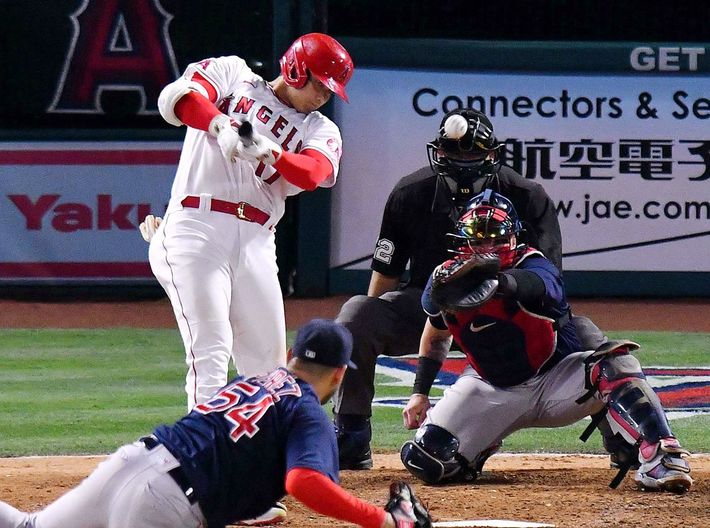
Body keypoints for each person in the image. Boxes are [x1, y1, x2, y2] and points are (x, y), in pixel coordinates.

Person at [0, 320, 433, 528]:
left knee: (27, 527)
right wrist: (382, 521)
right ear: (339, 375)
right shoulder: (306, 411)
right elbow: (304, 482)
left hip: (133, 460)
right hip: (166, 506)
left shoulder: (250, 382)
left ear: (290, 356)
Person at [399, 191, 692, 494]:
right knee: (427, 459)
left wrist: (499, 283)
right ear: (463, 242)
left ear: (515, 238)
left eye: (497, 240)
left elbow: (539, 286)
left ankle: (661, 455)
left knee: (616, 363)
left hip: (556, 380)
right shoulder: (448, 281)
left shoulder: (535, 264)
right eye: (478, 241)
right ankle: (479, 445)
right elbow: (436, 334)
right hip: (490, 387)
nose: (487, 249)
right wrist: (420, 392)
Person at [333, 108, 572, 470]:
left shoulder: (527, 195)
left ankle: (627, 438)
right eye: (454, 154)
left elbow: (548, 282)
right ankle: (351, 432)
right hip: (435, 309)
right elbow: (386, 274)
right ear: (439, 153)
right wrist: (367, 331)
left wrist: (502, 288)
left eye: (473, 155)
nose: (464, 162)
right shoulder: (411, 192)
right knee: (358, 314)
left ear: (492, 155)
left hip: (510, 315)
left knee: (584, 336)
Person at [145, 33, 354, 412]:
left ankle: (263, 444)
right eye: (320, 84)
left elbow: (313, 172)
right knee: (210, 351)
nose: (324, 95)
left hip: (258, 239)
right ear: (296, 68)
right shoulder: (234, 74)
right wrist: (221, 125)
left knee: (270, 370)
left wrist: (271, 153)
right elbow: (176, 99)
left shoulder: (320, 128)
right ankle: (205, 446)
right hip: (198, 223)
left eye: (330, 90)